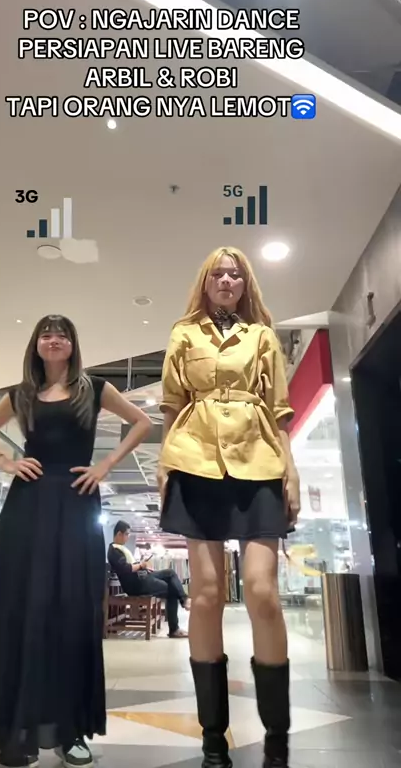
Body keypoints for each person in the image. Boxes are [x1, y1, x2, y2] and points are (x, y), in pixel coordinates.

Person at [0, 315, 152, 768]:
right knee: (18, 606)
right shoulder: (21, 394)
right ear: (36, 344)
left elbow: (141, 422)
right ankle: (11, 729)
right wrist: (5, 462)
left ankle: (69, 729)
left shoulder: (94, 389)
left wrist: (106, 465)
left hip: (77, 503)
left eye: (62, 334)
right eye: (46, 333)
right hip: (28, 505)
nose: (54, 339)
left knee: (72, 607)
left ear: (73, 344)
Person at [157, 248, 300, 768]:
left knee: (262, 591)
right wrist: (163, 464)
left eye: (235, 274)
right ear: (205, 281)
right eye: (217, 273)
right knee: (205, 596)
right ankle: (212, 737)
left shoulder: (262, 336)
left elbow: (279, 409)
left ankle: (277, 735)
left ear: (245, 284)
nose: (225, 279)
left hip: (258, 459)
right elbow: (172, 404)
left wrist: (291, 470)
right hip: (194, 459)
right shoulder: (183, 333)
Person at [107, 520, 189, 638]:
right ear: (119, 534)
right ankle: (174, 629)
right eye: (127, 534)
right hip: (136, 585)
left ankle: (184, 599)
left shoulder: (119, 548)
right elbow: (126, 568)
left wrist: (142, 566)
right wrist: (141, 565)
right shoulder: (114, 551)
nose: (128, 537)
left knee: (170, 573)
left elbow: (130, 566)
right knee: (172, 590)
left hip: (141, 577)